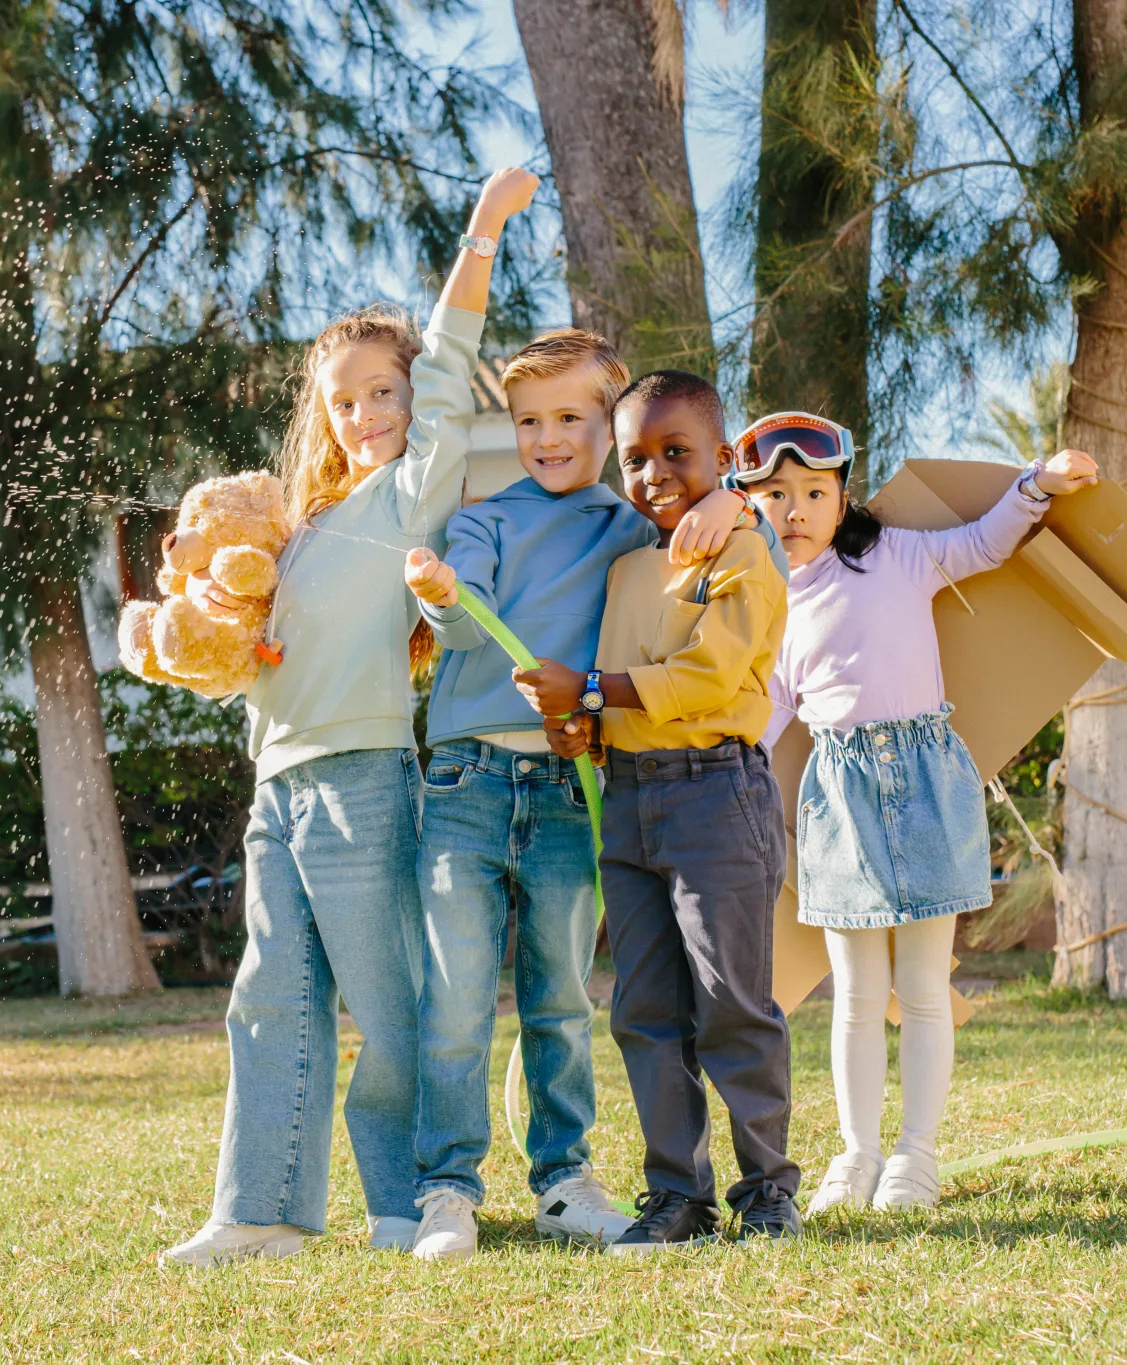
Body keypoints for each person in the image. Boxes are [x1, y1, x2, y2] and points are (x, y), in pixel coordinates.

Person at [161, 166, 540, 1269]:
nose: (365, 412)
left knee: (386, 1000)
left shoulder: (411, 487)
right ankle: (262, 1210)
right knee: (267, 998)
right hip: (275, 779)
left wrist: (479, 232)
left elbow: (454, 351)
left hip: (363, 779)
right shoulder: (306, 520)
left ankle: (413, 1200)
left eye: (384, 390)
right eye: (344, 399)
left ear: (415, 398)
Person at [398, 331, 766, 1262]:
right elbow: (461, 610)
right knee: (457, 997)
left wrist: (732, 500)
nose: (548, 437)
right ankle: (447, 1190)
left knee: (562, 995)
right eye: (529, 421)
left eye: (571, 418)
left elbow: (707, 546)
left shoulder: (634, 527)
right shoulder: (485, 517)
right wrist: (441, 591)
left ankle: (563, 1180)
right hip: (469, 779)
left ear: (608, 426)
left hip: (573, 784)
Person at [736, 410, 1096, 1215]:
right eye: (776, 493)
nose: (794, 510)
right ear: (748, 501)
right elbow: (762, 719)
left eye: (814, 493)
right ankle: (857, 1154)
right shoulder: (767, 609)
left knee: (923, 984)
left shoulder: (896, 555)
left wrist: (1036, 482)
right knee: (859, 993)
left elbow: (979, 543)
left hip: (928, 783)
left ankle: (916, 1156)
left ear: (842, 498)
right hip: (838, 800)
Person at [521, 370, 799, 1252]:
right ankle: (678, 1197)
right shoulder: (627, 568)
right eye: (636, 458)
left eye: (676, 454)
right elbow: (610, 701)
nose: (653, 473)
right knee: (644, 1009)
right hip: (632, 804)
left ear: (723, 459)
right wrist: (583, 731)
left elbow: (711, 677)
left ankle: (767, 1194)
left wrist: (594, 690)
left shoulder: (741, 551)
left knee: (731, 1003)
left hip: (718, 794)